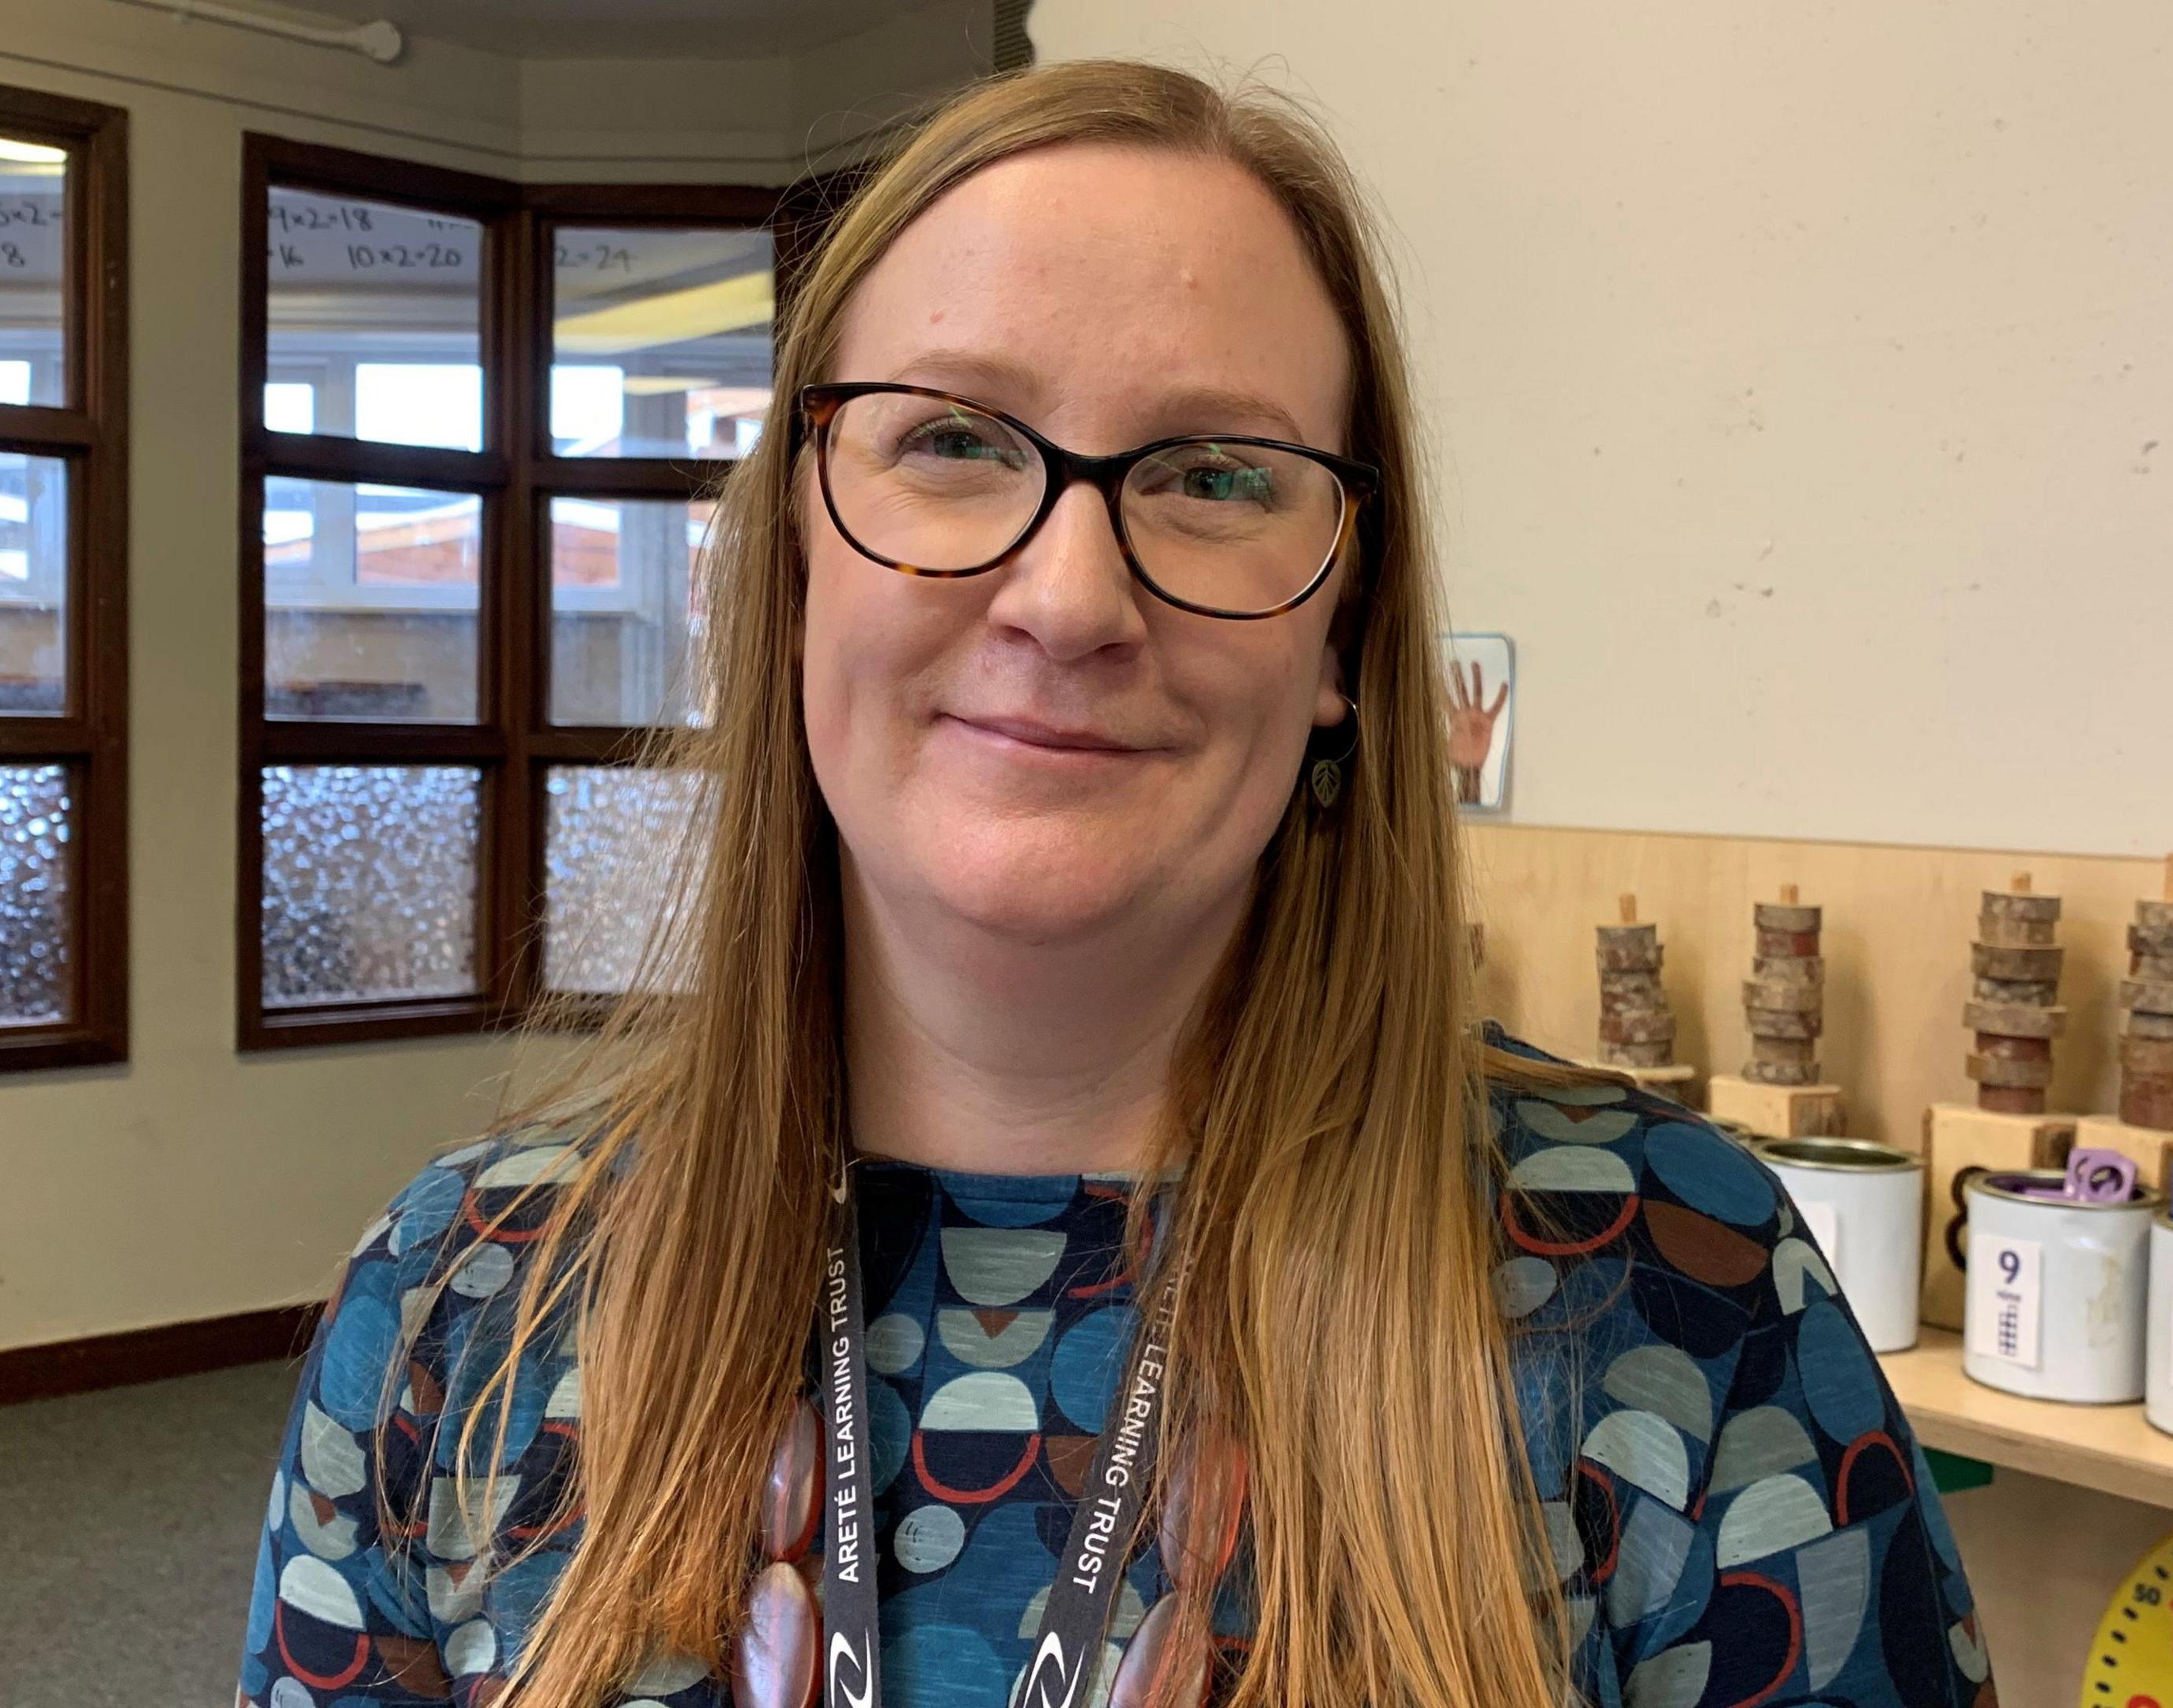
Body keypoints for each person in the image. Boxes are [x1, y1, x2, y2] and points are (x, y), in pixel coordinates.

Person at [238, 59, 1987, 1708]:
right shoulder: (467, 1300)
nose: (1068, 599)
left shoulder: (1672, 1289)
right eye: (951, 442)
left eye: (1215, 475)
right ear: (791, 569)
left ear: (1343, 634)